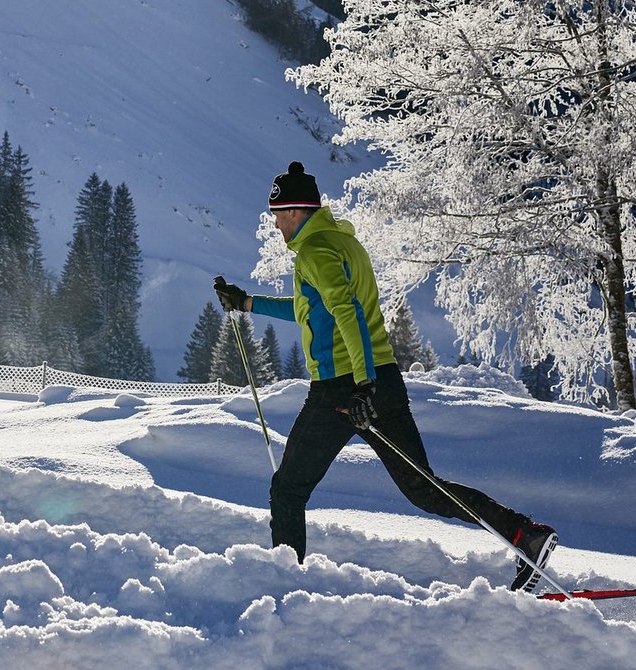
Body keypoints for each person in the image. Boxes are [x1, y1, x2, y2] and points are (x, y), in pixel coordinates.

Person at [214, 162, 557, 591]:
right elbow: (312, 310)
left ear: (297, 211)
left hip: (343, 389)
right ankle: (524, 534)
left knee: (288, 489)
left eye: (278, 214)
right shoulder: (343, 244)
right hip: (383, 379)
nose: (276, 223)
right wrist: (248, 303)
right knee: (424, 488)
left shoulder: (314, 251)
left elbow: (347, 313)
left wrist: (361, 385)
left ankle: (284, 587)